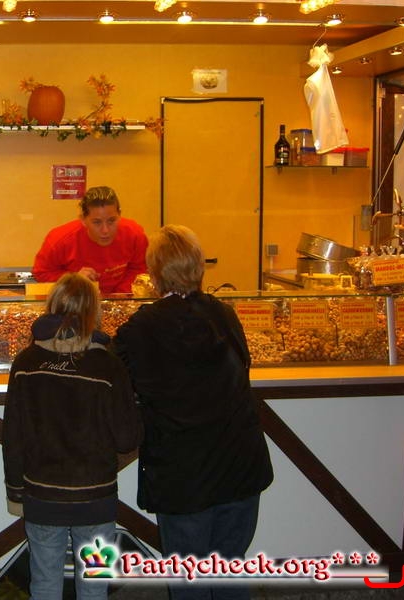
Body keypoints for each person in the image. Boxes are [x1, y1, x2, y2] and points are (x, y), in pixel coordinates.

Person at [113, 225, 274, 600]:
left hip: (183, 476)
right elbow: (242, 366)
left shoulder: (141, 328)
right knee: (229, 570)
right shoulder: (224, 314)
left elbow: (114, 376)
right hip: (240, 467)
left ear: (153, 274)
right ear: (200, 268)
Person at [2, 272, 141, 600]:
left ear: (52, 305)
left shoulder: (26, 362)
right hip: (97, 500)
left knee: (44, 582)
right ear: (94, 311)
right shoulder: (108, 365)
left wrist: (15, 492)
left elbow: (13, 436)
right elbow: (127, 439)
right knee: (95, 584)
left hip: (41, 497)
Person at [32, 186, 148, 294]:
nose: (105, 230)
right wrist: (74, 279)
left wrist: (119, 295)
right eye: (97, 222)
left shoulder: (135, 234)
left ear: (119, 215)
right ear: (83, 220)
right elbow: (41, 273)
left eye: (111, 221)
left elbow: (139, 268)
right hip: (77, 299)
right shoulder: (59, 240)